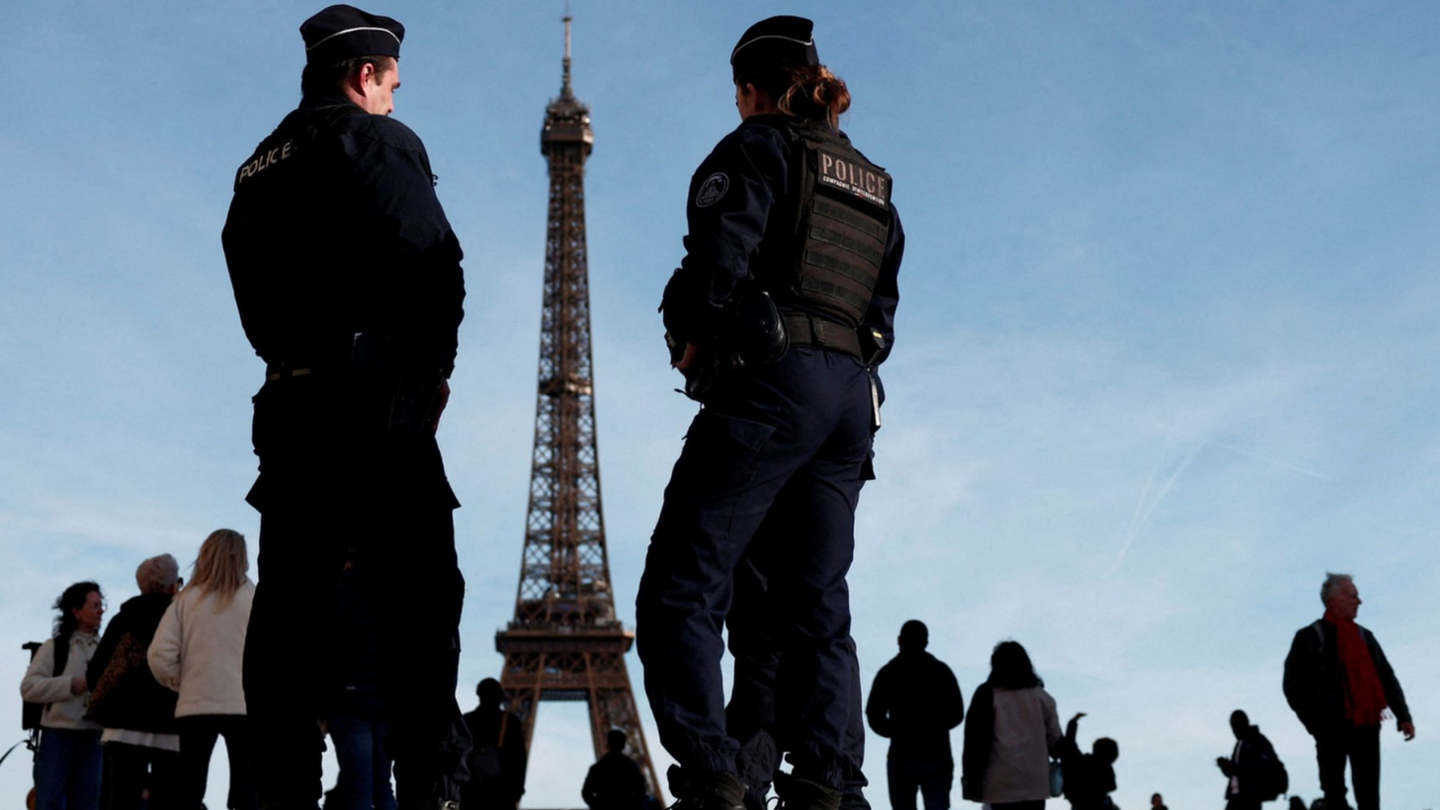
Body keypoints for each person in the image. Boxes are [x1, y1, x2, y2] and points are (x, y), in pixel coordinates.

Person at [635, 14, 903, 810]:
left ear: (752, 91)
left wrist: (691, 332)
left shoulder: (755, 148)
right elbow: (881, 312)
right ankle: (827, 778)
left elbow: (715, 262)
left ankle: (714, 769)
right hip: (851, 397)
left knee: (686, 580)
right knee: (817, 600)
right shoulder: (874, 183)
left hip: (772, 384)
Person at [220, 5, 469, 808]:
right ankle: (430, 784)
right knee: (421, 598)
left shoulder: (256, 164)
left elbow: (248, 286)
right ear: (365, 74)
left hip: (289, 407)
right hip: (373, 403)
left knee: (291, 612)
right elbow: (431, 262)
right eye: (392, 83)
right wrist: (429, 374)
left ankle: (280, 789)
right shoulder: (379, 140)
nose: (395, 97)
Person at [1282, 573, 1413, 810]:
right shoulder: (1310, 637)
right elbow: (1293, 685)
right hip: (1330, 727)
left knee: (1369, 794)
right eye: (1353, 596)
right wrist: (1315, 723)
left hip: (1367, 724)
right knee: (1334, 792)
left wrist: (1403, 715)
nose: (1359, 601)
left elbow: (1386, 677)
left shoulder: (1365, 637)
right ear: (1335, 599)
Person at [147, 529, 258, 810]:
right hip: (244, 705)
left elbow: (160, 655)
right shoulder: (254, 597)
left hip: (195, 705)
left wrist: (180, 682)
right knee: (248, 788)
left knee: (189, 789)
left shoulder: (187, 600)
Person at [86, 555, 183, 810]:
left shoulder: (124, 619)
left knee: (121, 799)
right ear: (173, 585)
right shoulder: (181, 620)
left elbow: (95, 671)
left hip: (122, 726)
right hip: (171, 727)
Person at [21, 581, 106, 810]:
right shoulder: (55, 647)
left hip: (94, 738)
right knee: (49, 802)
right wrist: (68, 685)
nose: (101, 610)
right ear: (76, 611)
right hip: (58, 737)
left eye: (101, 604)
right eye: (94, 605)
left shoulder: (106, 649)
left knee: (88, 804)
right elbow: (28, 688)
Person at [867, 621, 964, 810]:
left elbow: (874, 713)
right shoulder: (941, 671)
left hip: (901, 756)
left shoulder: (889, 672)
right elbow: (956, 712)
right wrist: (935, 728)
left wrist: (896, 731)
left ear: (900, 640)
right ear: (926, 641)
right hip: (937, 754)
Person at [326, 556, 397, 810]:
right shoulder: (393, 590)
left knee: (358, 790)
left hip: (351, 700)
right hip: (385, 700)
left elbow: (332, 646)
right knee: (383, 786)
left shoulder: (340, 589)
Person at [959, 641, 1061, 810]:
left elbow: (973, 742)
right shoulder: (1042, 698)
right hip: (1035, 783)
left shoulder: (986, 694)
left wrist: (970, 778)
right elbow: (1055, 740)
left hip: (1000, 784)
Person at [461, 679, 528, 810]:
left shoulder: (466, 720)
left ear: (479, 694)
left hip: (470, 790)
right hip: (501, 791)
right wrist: (516, 790)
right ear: (501, 696)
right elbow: (519, 759)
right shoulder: (510, 722)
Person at [1215, 709, 1280, 810]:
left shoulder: (1257, 740)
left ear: (1245, 723)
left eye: (1238, 725)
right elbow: (1234, 772)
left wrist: (1235, 767)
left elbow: (1263, 767)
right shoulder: (1240, 744)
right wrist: (1225, 766)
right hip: (1236, 797)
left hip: (1250, 796)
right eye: (1233, 726)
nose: (1235, 729)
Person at [1055, 714, 1117, 810]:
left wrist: (1073, 722)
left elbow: (1069, 744)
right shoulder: (1105, 766)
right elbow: (1111, 786)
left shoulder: (1080, 762)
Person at [583, 730, 648, 810]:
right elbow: (640, 789)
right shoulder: (631, 767)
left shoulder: (597, 768)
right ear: (623, 745)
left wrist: (598, 805)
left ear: (608, 744)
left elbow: (586, 793)